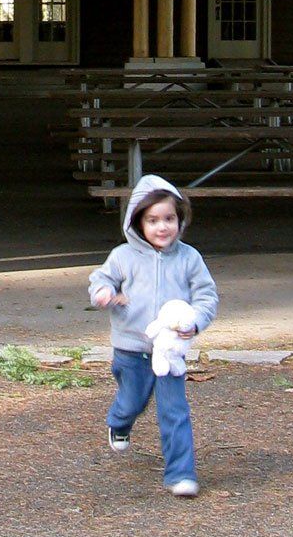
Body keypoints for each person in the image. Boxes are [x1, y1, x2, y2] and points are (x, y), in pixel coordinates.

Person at [88, 173, 218, 498]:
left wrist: (196, 322)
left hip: (170, 350)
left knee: (174, 410)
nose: (163, 227)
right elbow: (101, 279)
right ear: (138, 223)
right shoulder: (123, 256)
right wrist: (104, 293)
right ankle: (119, 422)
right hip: (130, 349)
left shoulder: (189, 258)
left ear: (180, 220)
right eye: (153, 220)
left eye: (169, 219)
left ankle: (180, 473)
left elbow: (206, 296)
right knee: (132, 402)